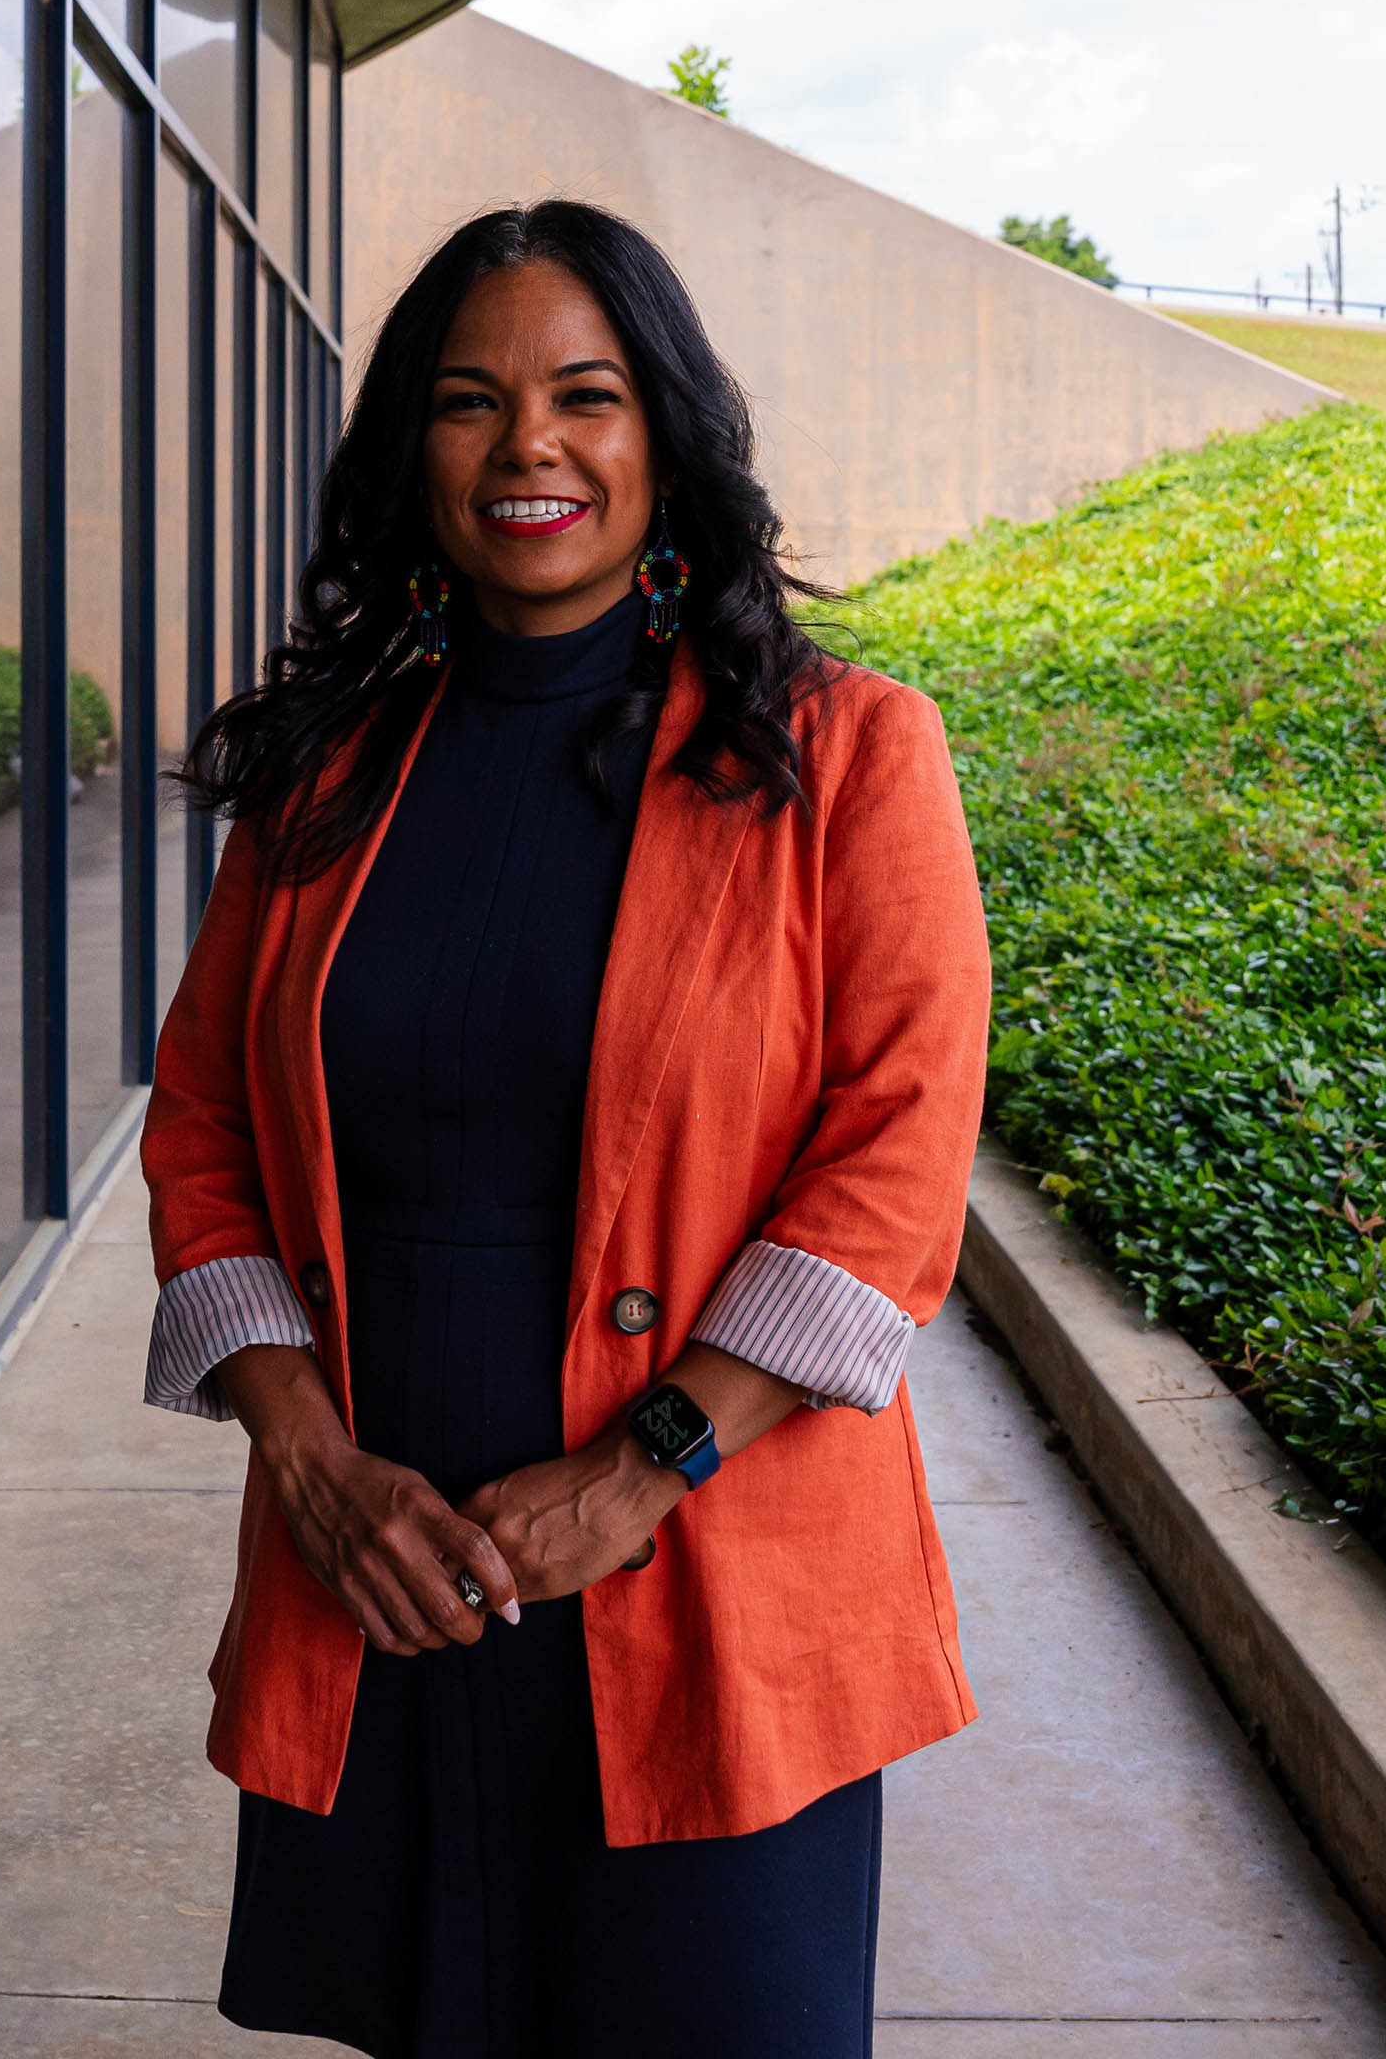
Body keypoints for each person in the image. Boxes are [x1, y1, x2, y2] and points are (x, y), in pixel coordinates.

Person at [140, 200, 994, 2057]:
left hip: (710, 1577)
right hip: (385, 1579)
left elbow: (896, 1162)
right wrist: (305, 1463)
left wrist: (638, 1478)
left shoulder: (845, 755)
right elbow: (202, 1123)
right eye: (471, 401)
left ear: (662, 441)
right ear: (410, 454)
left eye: (584, 396)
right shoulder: (323, 777)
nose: (530, 443)